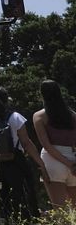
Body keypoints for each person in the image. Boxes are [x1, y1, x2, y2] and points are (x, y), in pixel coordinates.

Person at [0, 86, 41, 223]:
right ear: (7, 101)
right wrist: (41, 164)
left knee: (0, 198)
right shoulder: (15, 117)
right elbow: (26, 143)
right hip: (16, 163)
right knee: (22, 196)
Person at [33, 79, 76, 209]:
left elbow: (47, 146)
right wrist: (72, 164)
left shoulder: (39, 116)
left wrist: (66, 163)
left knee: (60, 210)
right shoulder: (73, 115)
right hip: (73, 158)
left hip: (52, 161)